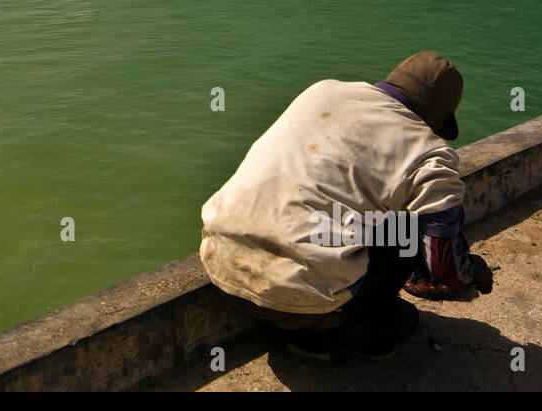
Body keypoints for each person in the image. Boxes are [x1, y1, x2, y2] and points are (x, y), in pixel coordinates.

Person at [199, 51, 491, 361]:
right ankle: (363, 332)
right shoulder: (431, 155)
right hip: (301, 304)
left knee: (342, 211)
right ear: (438, 117)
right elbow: (446, 269)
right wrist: (471, 270)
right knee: (405, 228)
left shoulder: (323, 90)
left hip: (221, 268)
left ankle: (310, 332)